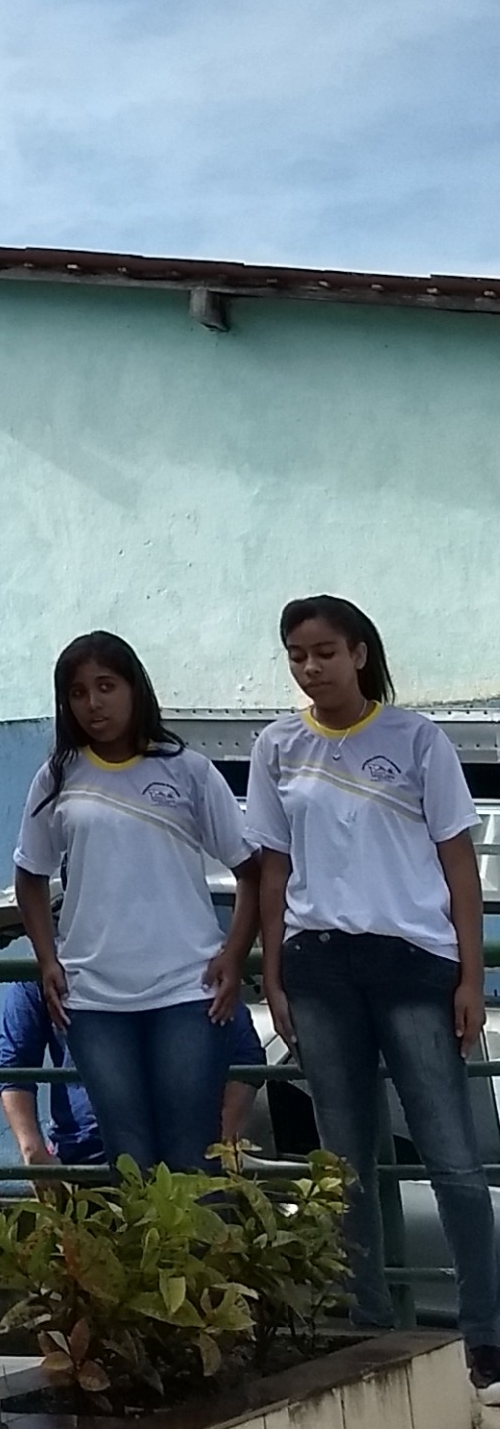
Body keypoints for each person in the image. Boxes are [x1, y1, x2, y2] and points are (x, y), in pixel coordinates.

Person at [248, 594, 500, 1386]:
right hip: (320, 967)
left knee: (452, 1157)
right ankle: (370, 1330)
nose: (310, 667)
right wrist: (274, 975)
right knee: (344, 1162)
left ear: (359, 653)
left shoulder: (417, 739)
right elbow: (274, 871)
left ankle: (486, 1336)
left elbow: (459, 866)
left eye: (325, 652)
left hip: (414, 966)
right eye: (297, 655)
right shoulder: (277, 747)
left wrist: (471, 976)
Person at [12, 632, 255, 1175]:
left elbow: (251, 870)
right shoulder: (57, 777)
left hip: (187, 991)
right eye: (78, 692)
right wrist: (48, 958)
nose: (93, 703)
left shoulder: (187, 769)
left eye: (106, 686)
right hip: (93, 999)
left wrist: (234, 955)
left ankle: (201, 1239)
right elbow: (29, 875)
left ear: (134, 688)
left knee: (192, 1153)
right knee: (128, 1155)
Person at [0, 972, 102, 1171]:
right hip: (80, 1154)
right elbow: (15, 1067)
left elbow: (14, 1065)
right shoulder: (42, 973)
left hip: (149, 1150)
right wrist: (34, 1152)